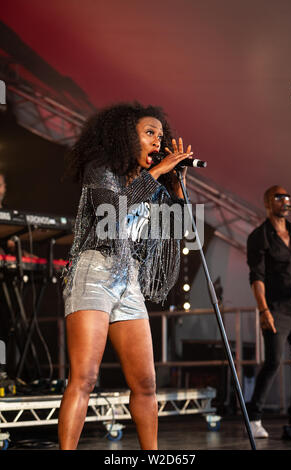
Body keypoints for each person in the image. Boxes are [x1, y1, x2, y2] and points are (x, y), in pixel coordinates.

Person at [58, 102, 193, 450]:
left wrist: (178, 185)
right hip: (94, 270)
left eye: (160, 136)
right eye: (150, 133)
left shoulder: (157, 185)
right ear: (126, 137)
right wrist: (159, 172)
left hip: (129, 280)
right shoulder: (101, 168)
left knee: (146, 383)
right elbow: (110, 217)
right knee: (84, 378)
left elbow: (182, 231)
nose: (157, 141)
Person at [246, 185, 291, 438]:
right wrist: (263, 310)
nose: (285, 200)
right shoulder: (260, 236)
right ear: (268, 203)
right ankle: (254, 416)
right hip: (276, 311)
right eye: (279, 197)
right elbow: (256, 277)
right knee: (274, 361)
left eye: (287, 197)